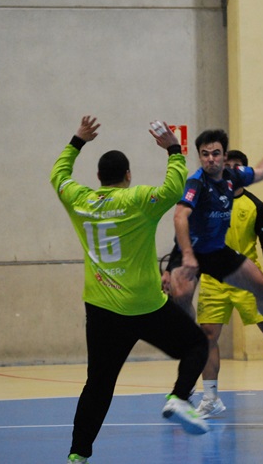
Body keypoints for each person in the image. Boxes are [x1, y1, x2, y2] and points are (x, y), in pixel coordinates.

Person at [51, 116, 210, 464]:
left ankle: (78, 455)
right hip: (146, 305)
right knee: (197, 345)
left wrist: (77, 140)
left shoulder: (79, 200)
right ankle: (178, 398)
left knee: (99, 384)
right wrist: (173, 148)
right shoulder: (139, 201)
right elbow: (174, 188)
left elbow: (58, 176)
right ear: (128, 175)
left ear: (98, 177)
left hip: (102, 310)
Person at [164, 149, 263, 417]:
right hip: (214, 281)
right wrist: (173, 268)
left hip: (246, 279)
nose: (228, 169)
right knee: (207, 337)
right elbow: (184, 234)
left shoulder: (256, 206)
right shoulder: (205, 199)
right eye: (226, 164)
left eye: (235, 166)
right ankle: (210, 397)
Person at [168, 121, 263, 351]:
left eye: (215, 153)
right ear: (200, 157)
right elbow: (179, 216)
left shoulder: (233, 176)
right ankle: (189, 334)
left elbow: (262, 171)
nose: (210, 159)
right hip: (189, 250)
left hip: (216, 251)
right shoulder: (196, 182)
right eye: (205, 154)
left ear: (224, 156)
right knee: (181, 295)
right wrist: (187, 255)